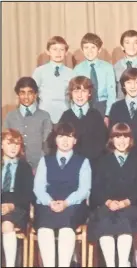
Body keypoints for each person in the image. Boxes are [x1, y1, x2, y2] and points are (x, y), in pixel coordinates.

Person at [33, 123, 91, 267]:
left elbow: (84, 190)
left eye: (69, 137)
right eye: (61, 136)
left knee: (66, 229)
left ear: (75, 140)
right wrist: (50, 202)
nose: (65, 141)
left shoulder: (83, 162)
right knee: (44, 228)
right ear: (55, 140)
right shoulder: (45, 161)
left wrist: (66, 203)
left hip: (73, 206)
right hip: (48, 204)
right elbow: (38, 188)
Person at [88, 123, 137, 267]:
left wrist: (125, 202)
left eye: (125, 137)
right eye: (117, 137)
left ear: (130, 139)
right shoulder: (102, 162)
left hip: (129, 206)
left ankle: (123, 263)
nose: (121, 141)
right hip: (107, 207)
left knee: (125, 223)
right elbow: (95, 190)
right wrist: (108, 202)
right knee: (104, 223)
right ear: (111, 140)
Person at [1, 129, 34, 267]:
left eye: (17, 144)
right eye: (9, 143)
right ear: (1, 145)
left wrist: (11, 205)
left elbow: (28, 194)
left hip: (18, 206)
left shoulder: (25, 167)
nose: (13, 147)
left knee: (7, 224)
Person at [4, 77, 52, 169]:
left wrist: (42, 164)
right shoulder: (10, 116)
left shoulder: (44, 116)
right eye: (22, 93)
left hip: (39, 166)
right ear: (18, 94)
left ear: (35, 94)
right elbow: (5, 142)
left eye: (30, 92)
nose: (26, 97)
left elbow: (47, 144)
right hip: (15, 166)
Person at [73, 32, 116, 125]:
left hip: (103, 105)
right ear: (82, 50)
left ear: (99, 49)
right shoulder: (77, 69)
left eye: (93, 47)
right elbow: (74, 92)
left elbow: (111, 93)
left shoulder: (107, 67)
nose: (90, 51)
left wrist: (107, 115)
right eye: (86, 48)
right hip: (85, 105)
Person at [32, 36, 74, 123]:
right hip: (44, 116)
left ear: (66, 52)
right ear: (48, 51)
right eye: (54, 49)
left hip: (65, 116)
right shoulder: (39, 71)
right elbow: (33, 94)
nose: (58, 53)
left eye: (61, 49)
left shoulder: (72, 73)